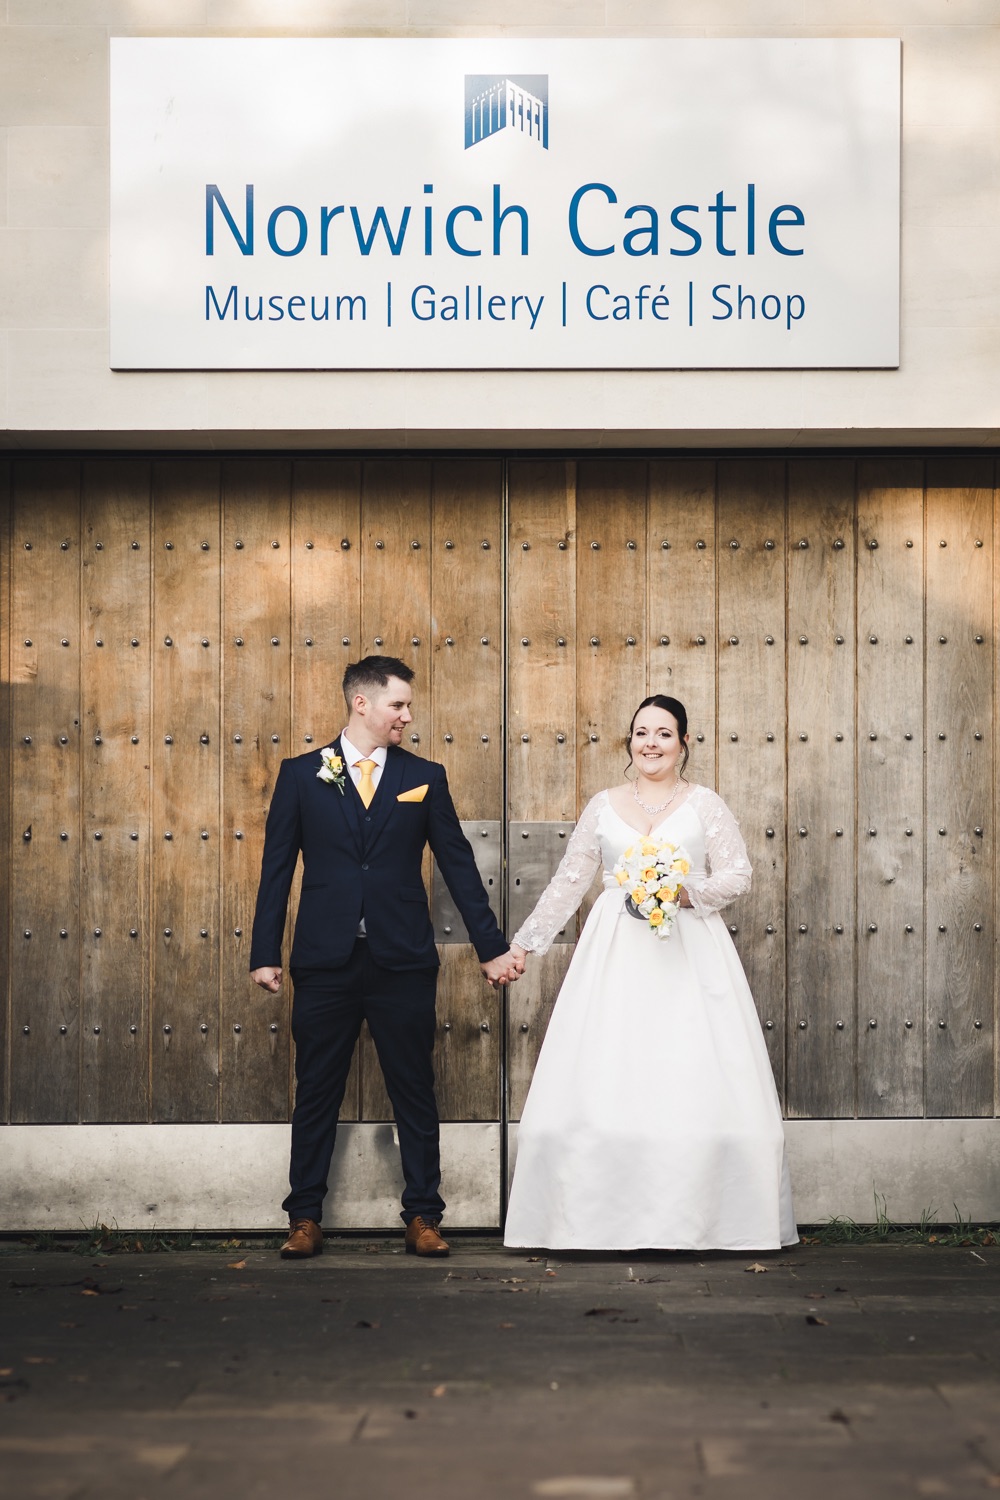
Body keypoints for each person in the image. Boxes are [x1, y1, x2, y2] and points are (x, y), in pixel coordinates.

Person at [250, 654, 522, 1260]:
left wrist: (491, 948)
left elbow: (457, 865)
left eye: (407, 705)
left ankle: (424, 1215)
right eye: (398, 704)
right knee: (316, 1089)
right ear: (361, 704)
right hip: (326, 960)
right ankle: (304, 1217)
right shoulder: (301, 774)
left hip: (402, 959)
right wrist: (264, 951)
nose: (407, 715)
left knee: (414, 1090)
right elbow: (276, 869)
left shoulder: (425, 774)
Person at [504, 694, 796, 1252]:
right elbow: (570, 881)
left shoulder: (704, 803)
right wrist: (525, 945)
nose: (651, 743)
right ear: (629, 741)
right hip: (615, 949)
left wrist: (689, 892)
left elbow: (738, 874)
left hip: (689, 947)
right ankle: (595, 1219)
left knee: (688, 1064)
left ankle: (704, 1217)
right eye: (641, 732)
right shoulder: (603, 804)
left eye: (664, 733)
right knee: (611, 1062)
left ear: (683, 742)